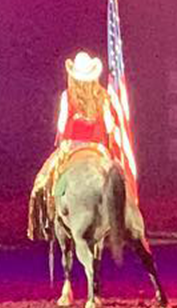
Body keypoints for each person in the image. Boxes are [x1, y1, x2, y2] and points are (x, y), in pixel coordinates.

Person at [27, 51, 139, 241]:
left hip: (72, 146)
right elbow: (109, 126)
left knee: (43, 182)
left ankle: (53, 213)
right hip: (98, 148)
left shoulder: (67, 96)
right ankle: (124, 217)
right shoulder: (103, 97)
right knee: (118, 179)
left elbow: (61, 126)